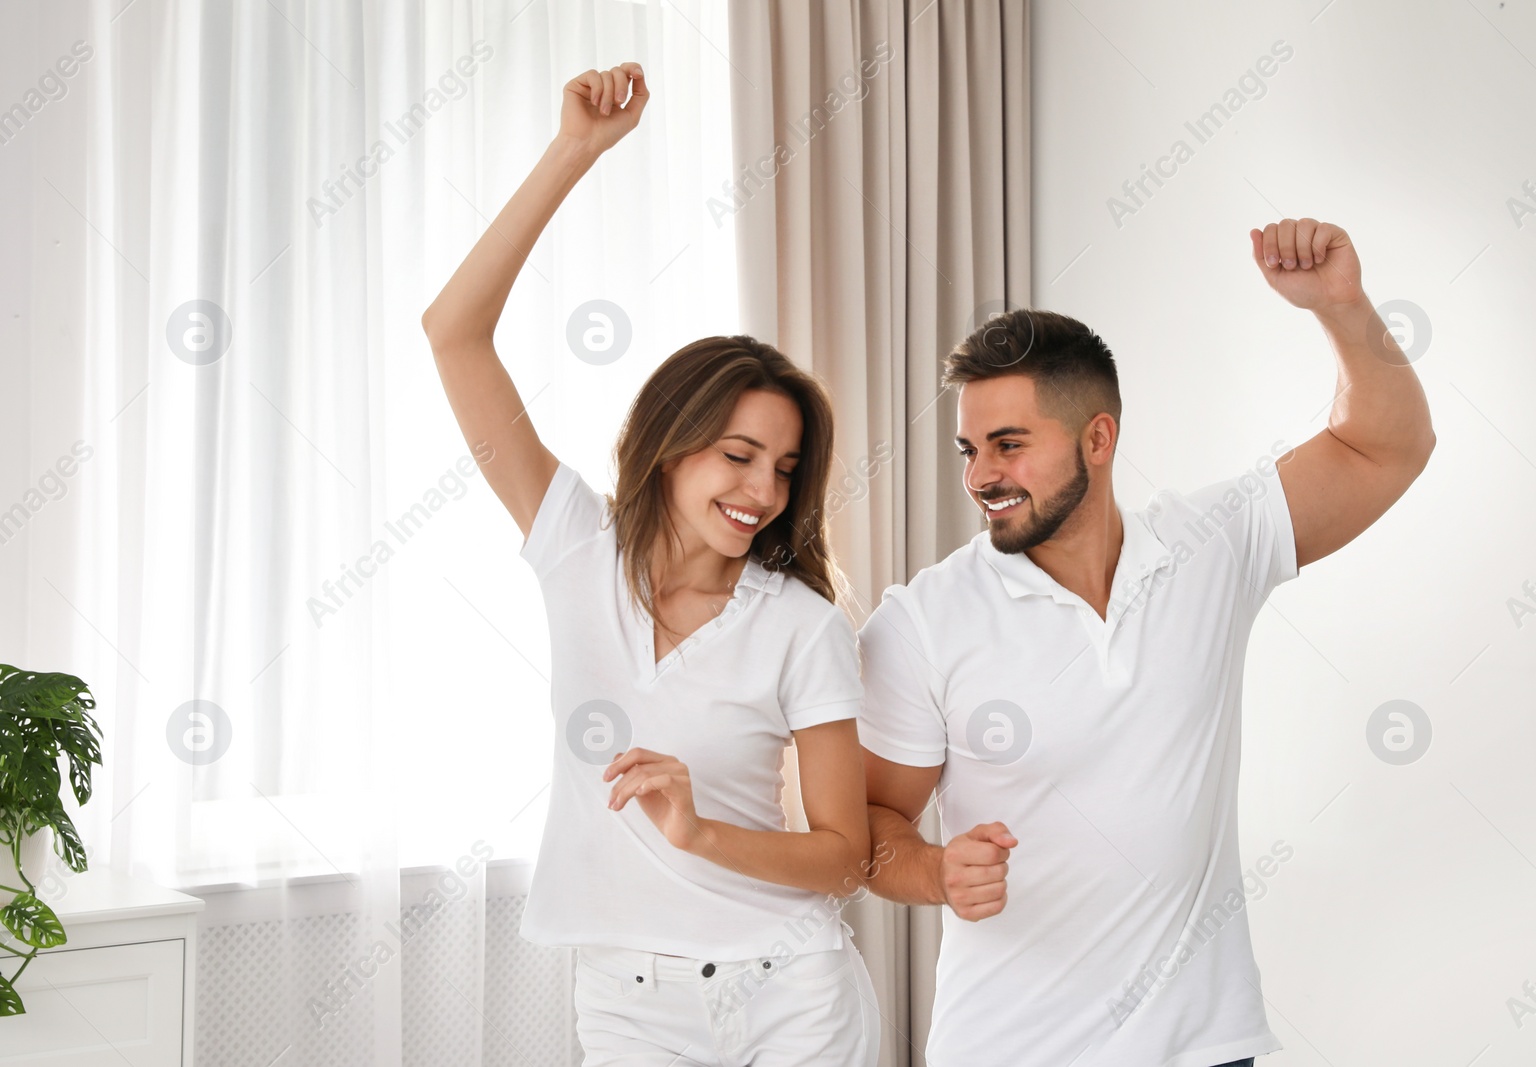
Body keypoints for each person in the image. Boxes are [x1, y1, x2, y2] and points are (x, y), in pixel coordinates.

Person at [857, 220, 1434, 1066]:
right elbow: (870, 827)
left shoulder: (1212, 545)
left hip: (1206, 1047)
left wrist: (1341, 309)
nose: (981, 475)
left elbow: (1388, 446)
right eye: (970, 449)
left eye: (1009, 444)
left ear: (1098, 437)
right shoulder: (921, 619)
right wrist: (934, 869)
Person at [422, 62, 880, 1067]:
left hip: (793, 990)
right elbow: (452, 333)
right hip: (625, 996)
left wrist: (697, 828)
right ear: (673, 446)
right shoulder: (575, 546)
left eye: (785, 468)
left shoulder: (801, 624)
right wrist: (573, 152)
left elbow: (845, 855)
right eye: (738, 455)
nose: (761, 490)